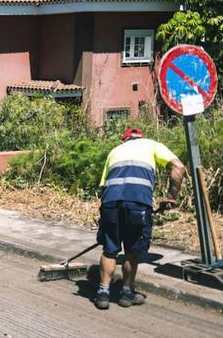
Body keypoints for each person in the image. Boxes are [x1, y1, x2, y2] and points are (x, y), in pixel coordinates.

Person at [94, 127, 186, 310]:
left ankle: (103, 293)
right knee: (132, 250)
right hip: (138, 204)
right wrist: (172, 196)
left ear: (125, 140)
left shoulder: (115, 151)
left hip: (110, 204)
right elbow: (179, 167)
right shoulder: (152, 145)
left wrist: (106, 216)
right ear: (141, 138)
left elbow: (103, 187)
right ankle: (126, 293)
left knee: (109, 250)